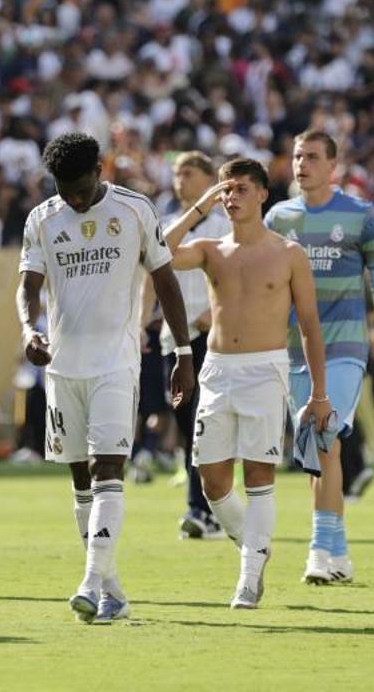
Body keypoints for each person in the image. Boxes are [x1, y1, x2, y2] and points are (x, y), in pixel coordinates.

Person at [16, 132, 195, 624]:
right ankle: (111, 588)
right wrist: (29, 330)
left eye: (79, 187)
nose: (72, 199)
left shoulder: (135, 210)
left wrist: (182, 352)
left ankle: (90, 582)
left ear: (101, 169)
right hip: (62, 368)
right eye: (63, 189)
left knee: (107, 469)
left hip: (117, 363)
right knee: (80, 479)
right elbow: (27, 286)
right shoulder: (43, 219)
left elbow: (165, 280)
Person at [163, 158, 333, 608]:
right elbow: (158, 253)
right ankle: (254, 545)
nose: (231, 196)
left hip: (266, 369)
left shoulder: (289, 254)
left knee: (258, 474)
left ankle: (249, 577)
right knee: (212, 481)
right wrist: (200, 205)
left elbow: (311, 327)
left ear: (262, 194)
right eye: (226, 189)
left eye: (240, 188)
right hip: (217, 369)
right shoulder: (211, 249)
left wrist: (318, 393)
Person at [264, 129, 374, 585]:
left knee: (325, 436)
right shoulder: (277, 219)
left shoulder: (360, 215)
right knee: (317, 452)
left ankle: (317, 552)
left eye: (311, 156)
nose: (301, 164)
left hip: (346, 347)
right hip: (295, 352)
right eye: (296, 156)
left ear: (333, 165)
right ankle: (340, 553)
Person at [157, 151, 231, 539]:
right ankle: (208, 509)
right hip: (174, 336)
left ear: (208, 178)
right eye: (175, 174)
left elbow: (238, 280)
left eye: (187, 173)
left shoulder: (225, 224)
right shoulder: (168, 223)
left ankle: (202, 509)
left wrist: (215, 316)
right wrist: (144, 324)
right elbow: (150, 274)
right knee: (189, 429)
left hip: (211, 337)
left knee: (208, 425)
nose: (179, 180)